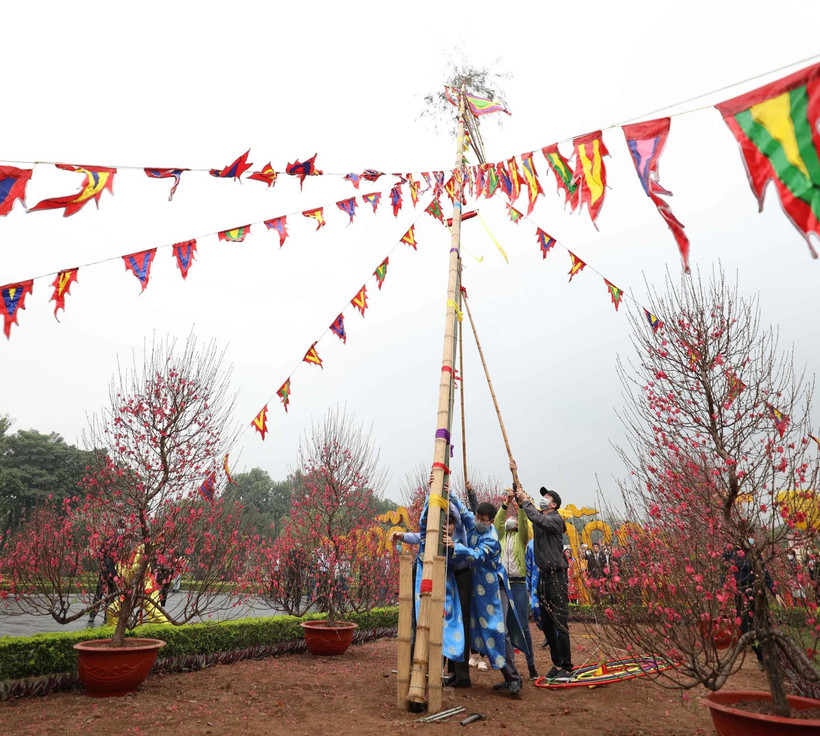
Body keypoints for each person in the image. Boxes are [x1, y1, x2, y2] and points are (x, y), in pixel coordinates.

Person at [445, 500, 528, 696]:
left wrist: (455, 547)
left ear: (491, 521)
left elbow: (477, 555)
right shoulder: (473, 525)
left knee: (498, 631)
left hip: (493, 591)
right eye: (477, 517)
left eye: (483, 519)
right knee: (473, 630)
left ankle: (513, 678)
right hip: (477, 592)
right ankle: (463, 676)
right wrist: (450, 490)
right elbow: (463, 511)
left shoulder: (491, 537)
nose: (478, 521)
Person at [516, 483, 574, 682]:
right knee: (547, 624)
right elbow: (530, 512)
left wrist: (525, 501)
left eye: (547, 497)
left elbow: (535, 516)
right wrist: (518, 492)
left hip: (557, 577)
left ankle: (567, 666)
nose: (543, 499)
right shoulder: (540, 519)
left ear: (554, 504)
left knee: (560, 623)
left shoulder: (556, 519)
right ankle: (557, 663)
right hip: (543, 576)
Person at [494, 487, 538, 680]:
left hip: (519, 583)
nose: (511, 521)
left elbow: (522, 521)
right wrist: (506, 503)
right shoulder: (501, 536)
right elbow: (496, 523)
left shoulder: (522, 537)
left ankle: (531, 666)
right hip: (504, 584)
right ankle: (511, 669)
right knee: (506, 628)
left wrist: (520, 505)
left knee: (524, 626)